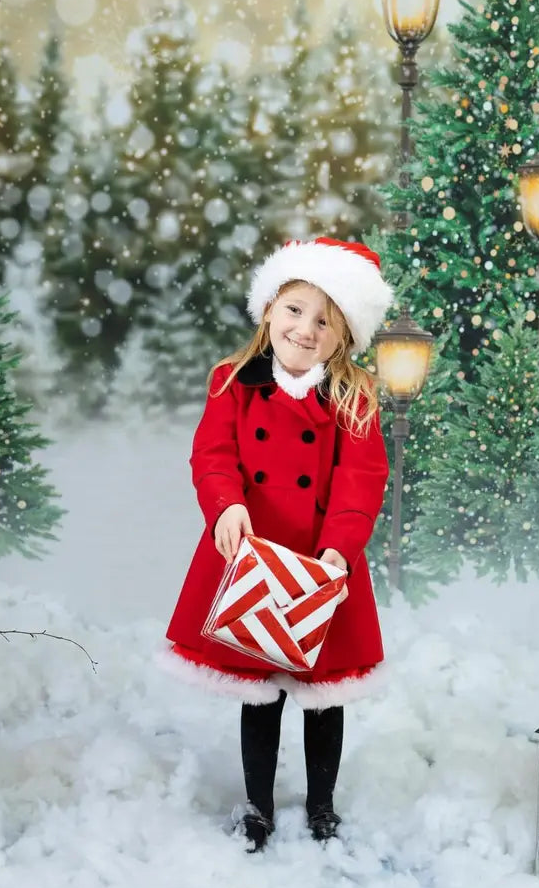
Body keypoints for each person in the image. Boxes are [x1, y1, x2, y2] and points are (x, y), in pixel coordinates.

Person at [162, 236, 393, 851]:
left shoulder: (354, 396)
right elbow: (212, 455)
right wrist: (226, 506)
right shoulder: (232, 380)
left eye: (325, 320)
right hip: (252, 556)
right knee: (258, 690)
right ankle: (258, 806)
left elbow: (361, 478)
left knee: (324, 695)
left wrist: (341, 545)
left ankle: (322, 805)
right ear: (268, 309)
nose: (305, 329)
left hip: (323, 559)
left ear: (343, 336)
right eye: (294, 309)